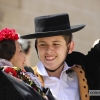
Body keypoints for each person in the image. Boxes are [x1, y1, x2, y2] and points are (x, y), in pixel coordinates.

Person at [21, 13, 100, 100]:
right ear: (37, 47)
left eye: (56, 44)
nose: (49, 50)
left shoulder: (87, 72)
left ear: (70, 47)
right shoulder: (25, 81)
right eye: (43, 44)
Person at [0, 28, 55, 100]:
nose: (24, 57)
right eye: (20, 51)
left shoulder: (22, 78)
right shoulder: (8, 82)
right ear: (9, 55)